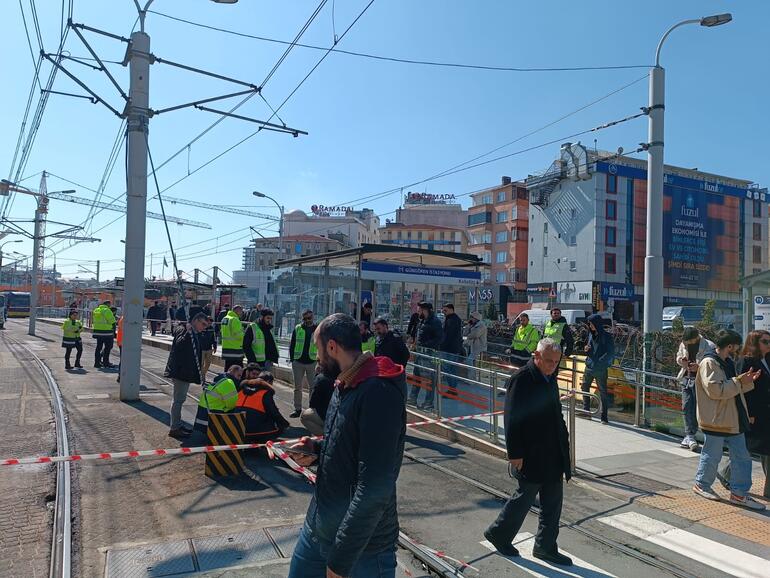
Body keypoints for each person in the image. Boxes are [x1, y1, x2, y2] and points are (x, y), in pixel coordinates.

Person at [286, 314, 406, 578]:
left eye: (318, 350)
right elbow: (349, 441)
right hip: (319, 527)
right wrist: (317, 449)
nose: (316, 358)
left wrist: (340, 560)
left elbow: (375, 486)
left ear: (332, 347)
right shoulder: (346, 381)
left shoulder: (378, 391)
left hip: (361, 548)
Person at [484, 339, 573, 566]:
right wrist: (515, 453)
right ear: (536, 356)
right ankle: (499, 533)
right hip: (532, 451)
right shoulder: (522, 379)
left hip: (553, 451)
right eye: (548, 361)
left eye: (556, 362)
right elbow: (512, 418)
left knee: (553, 503)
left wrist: (564, 439)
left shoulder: (550, 377)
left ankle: (546, 546)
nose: (552, 366)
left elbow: (555, 411)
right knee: (524, 497)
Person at [692, 329, 765, 511]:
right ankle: (702, 484)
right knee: (713, 455)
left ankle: (738, 493)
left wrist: (747, 381)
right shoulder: (710, 363)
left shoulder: (726, 362)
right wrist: (741, 381)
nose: (739, 349)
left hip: (731, 419)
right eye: (737, 346)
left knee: (741, 456)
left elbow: (732, 387)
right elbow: (716, 391)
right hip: (717, 419)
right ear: (730, 345)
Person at [718, 330, 770, 498]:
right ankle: (726, 472)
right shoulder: (746, 361)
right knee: (746, 447)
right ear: (755, 343)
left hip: (765, 412)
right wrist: (749, 413)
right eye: (765, 342)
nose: (769, 345)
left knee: (759, 448)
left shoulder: (767, 359)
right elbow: (741, 389)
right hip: (754, 413)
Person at [163, 312, 208, 439]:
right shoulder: (184, 330)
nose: (204, 327)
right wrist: (188, 333)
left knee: (179, 399)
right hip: (180, 371)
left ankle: (177, 424)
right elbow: (180, 344)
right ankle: (175, 427)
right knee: (178, 400)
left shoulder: (194, 332)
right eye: (203, 324)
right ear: (196, 320)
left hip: (184, 371)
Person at [676, 327, 716, 451]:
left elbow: (713, 365)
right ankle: (689, 435)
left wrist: (699, 367)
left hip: (701, 381)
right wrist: (682, 361)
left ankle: (708, 437)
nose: (687, 344)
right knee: (687, 406)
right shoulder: (683, 344)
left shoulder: (709, 345)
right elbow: (678, 357)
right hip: (686, 378)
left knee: (702, 409)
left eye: (689, 341)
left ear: (695, 337)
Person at [236, 368, 290, 442]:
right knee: (279, 425)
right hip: (254, 432)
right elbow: (274, 412)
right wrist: (285, 424)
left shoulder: (242, 390)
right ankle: (263, 445)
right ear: (268, 382)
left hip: (237, 428)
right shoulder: (265, 393)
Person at [407, 301, 443, 410]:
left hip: (429, 354)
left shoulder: (435, 322)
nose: (418, 312)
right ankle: (413, 398)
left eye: (419, 310)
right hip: (419, 352)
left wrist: (425, 346)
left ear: (425, 310)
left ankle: (428, 402)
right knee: (416, 375)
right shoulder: (422, 321)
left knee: (429, 379)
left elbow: (439, 338)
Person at [581, 314, 615, 424]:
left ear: (597, 324)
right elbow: (590, 348)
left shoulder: (607, 336)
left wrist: (600, 362)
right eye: (589, 324)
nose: (590, 326)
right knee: (584, 387)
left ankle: (604, 416)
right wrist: (586, 349)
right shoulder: (591, 335)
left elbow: (610, 353)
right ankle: (586, 411)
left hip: (600, 369)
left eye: (591, 324)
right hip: (589, 366)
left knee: (603, 392)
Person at [194, 365, 242, 432]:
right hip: (213, 415)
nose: (239, 379)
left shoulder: (219, 380)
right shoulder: (228, 382)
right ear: (232, 372)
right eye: (238, 375)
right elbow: (232, 404)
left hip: (202, 414)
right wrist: (226, 409)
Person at [290, 309, 318, 418]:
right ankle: (297, 409)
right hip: (298, 361)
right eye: (305, 318)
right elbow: (292, 343)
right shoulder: (298, 328)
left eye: (309, 318)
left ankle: (311, 409)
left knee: (312, 387)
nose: (307, 320)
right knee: (297, 387)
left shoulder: (317, 329)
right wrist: (293, 359)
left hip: (312, 361)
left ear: (313, 317)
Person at [301, 367, 337, 436]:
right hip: (341, 414)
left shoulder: (320, 378)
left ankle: (326, 436)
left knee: (304, 416)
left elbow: (312, 402)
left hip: (327, 414)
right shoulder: (342, 376)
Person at [440, 303, 464, 394]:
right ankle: (452, 388)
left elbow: (448, 335)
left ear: (451, 309)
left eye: (445, 310)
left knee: (449, 369)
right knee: (451, 369)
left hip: (449, 349)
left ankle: (452, 389)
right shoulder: (452, 319)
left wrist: (441, 345)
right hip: (452, 348)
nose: (443, 312)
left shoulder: (452, 320)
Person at [92, 300, 116, 368]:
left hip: (97, 332)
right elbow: (112, 321)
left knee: (98, 347)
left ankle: (96, 363)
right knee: (108, 348)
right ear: (108, 304)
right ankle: (106, 363)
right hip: (107, 332)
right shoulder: (107, 310)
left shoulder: (96, 310)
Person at [220, 304, 245, 371]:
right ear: (237, 311)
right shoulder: (235, 320)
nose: (242, 313)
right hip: (235, 349)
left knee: (228, 369)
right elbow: (239, 335)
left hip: (226, 348)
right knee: (238, 370)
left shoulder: (225, 319)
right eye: (241, 311)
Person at [198, 316, 217, 383]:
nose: (209, 323)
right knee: (201, 363)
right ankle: (202, 377)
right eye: (208, 321)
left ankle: (203, 373)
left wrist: (215, 346)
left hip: (209, 348)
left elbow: (213, 338)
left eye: (210, 322)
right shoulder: (201, 328)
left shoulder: (211, 329)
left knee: (208, 363)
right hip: (201, 349)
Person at [115, 314, 124, 383]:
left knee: (123, 360)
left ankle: (121, 376)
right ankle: (121, 376)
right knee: (124, 360)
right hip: (124, 342)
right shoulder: (125, 319)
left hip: (122, 341)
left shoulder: (123, 318)